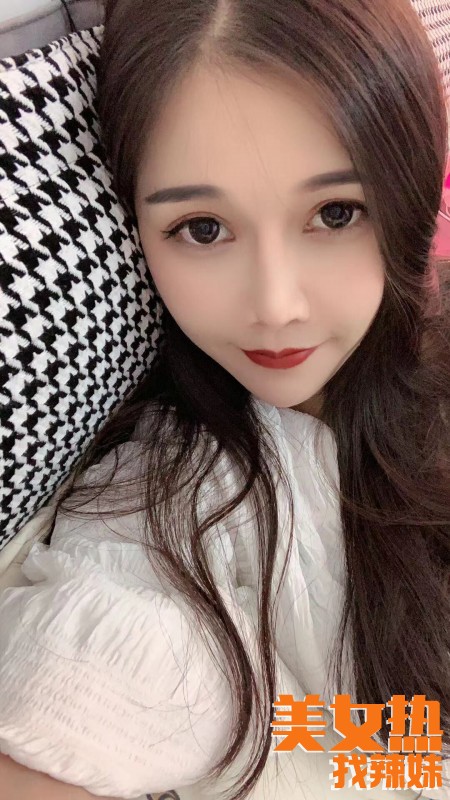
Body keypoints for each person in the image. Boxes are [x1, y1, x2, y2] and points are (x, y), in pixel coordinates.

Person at [0, 0, 449, 798]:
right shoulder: (172, 497)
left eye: (335, 213)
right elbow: (79, 696)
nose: (275, 305)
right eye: (202, 229)